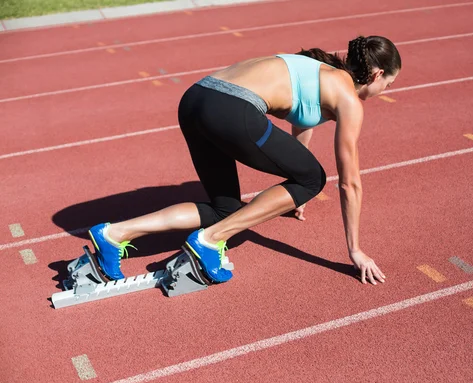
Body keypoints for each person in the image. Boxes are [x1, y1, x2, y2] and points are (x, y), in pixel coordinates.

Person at [87, 35, 401, 286]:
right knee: (313, 178)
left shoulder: (318, 70)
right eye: (389, 84)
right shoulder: (348, 99)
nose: (386, 90)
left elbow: (302, 125)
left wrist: (293, 197)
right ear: (377, 74)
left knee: (225, 209)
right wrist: (355, 250)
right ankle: (210, 241)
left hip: (196, 98)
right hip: (229, 109)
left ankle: (114, 234)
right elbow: (350, 183)